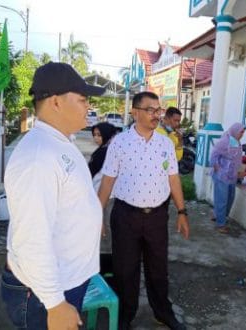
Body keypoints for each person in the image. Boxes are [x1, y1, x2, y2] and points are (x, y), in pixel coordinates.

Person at [1, 62, 105, 330]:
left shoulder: (59, 142)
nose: (87, 106)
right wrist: (55, 303)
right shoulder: (39, 156)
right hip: (43, 294)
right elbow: (31, 239)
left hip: (64, 282)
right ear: (56, 102)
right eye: (82, 99)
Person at [98, 91, 190, 330]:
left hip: (157, 217)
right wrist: (98, 216)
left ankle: (162, 312)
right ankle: (126, 314)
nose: (156, 115)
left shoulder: (165, 143)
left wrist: (182, 212)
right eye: (150, 110)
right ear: (135, 112)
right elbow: (107, 181)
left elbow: (174, 179)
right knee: (125, 269)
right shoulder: (120, 143)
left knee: (158, 268)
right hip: (125, 216)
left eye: (158, 110)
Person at [210, 123, 246, 234]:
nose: (242, 134)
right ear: (235, 130)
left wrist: (239, 172)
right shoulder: (224, 141)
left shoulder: (236, 142)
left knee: (230, 198)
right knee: (222, 200)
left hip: (231, 175)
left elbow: (236, 159)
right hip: (221, 175)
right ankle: (220, 224)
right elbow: (213, 155)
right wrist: (217, 167)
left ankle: (219, 216)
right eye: (241, 132)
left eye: (243, 132)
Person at [88, 122, 118, 191]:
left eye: (99, 135)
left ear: (106, 134)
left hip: (97, 190)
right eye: (94, 135)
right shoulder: (110, 149)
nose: (95, 138)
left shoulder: (103, 152)